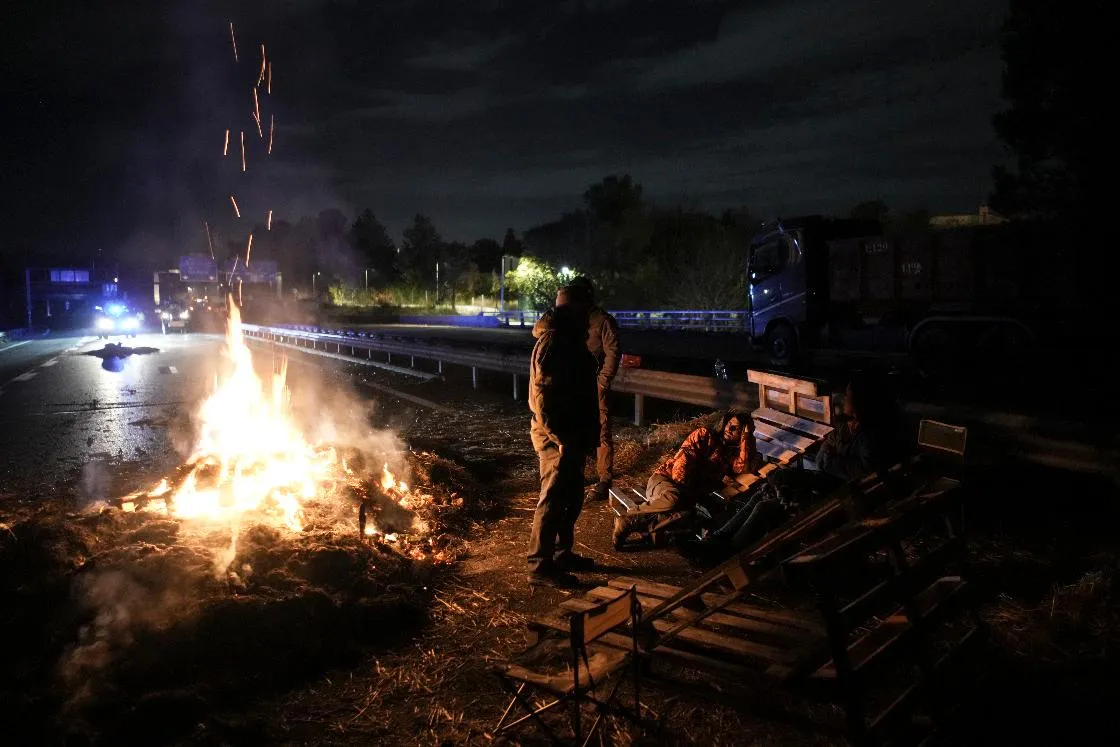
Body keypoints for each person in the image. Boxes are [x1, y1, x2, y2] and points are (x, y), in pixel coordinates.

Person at [695, 372, 905, 556]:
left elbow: (856, 472)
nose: (844, 398)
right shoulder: (848, 426)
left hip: (836, 501)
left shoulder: (870, 437)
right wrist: (831, 459)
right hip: (826, 486)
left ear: (861, 401)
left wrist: (831, 459)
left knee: (765, 507)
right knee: (766, 489)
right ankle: (717, 540)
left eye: (849, 395)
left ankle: (728, 554)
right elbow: (826, 456)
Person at [526, 287, 601, 588]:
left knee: (570, 497)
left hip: (572, 434)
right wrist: (559, 437)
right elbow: (542, 395)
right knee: (553, 499)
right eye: (585, 311)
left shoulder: (569, 339)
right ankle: (539, 566)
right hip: (557, 437)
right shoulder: (555, 341)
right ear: (574, 310)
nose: (590, 317)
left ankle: (560, 554)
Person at [612, 410, 763, 549]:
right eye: (729, 425)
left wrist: (746, 437)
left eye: (736, 429)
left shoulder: (728, 456)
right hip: (666, 480)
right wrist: (686, 493)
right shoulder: (704, 435)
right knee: (673, 498)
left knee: (687, 517)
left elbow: (744, 468)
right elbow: (682, 464)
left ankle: (631, 525)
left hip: (683, 496)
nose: (729, 430)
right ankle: (630, 517)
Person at [533, 276, 620, 502]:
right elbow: (538, 331)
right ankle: (573, 475)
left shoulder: (602, 320)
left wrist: (602, 381)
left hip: (592, 383)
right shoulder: (563, 322)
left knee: (601, 430)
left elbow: (613, 352)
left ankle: (603, 478)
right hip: (573, 385)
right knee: (573, 429)